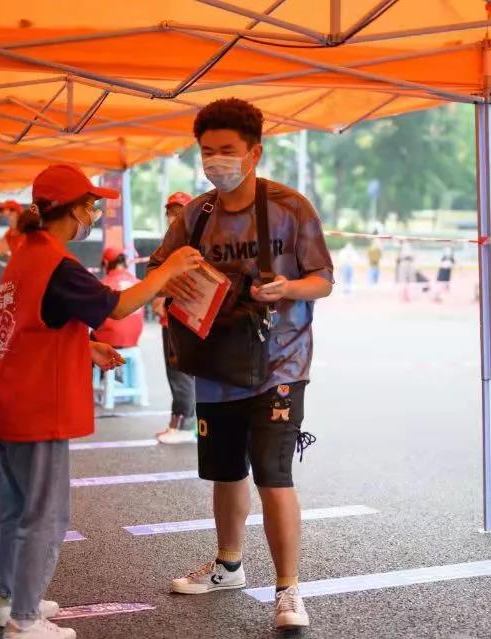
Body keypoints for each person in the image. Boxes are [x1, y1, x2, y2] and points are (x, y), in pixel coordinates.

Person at [0, 164, 201, 639]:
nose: (94, 215)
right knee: (46, 513)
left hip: (5, 401)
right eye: (91, 206)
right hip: (36, 407)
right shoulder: (56, 264)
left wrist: (83, 347)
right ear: (70, 210)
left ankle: (10, 600)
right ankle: (25, 619)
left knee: (15, 511)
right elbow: (116, 306)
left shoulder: (25, 256)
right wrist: (168, 270)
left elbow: (28, 326)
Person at [148, 98, 333, 630]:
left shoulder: (290, 207)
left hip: (281, 363)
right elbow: (159, 272)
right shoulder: (196, 214)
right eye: (207, 151)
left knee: (274, 473)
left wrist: (287, 287)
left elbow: (323, 280)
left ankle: (288, 590)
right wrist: (170, 290)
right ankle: (228, 565)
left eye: (226, 150)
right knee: (226, 471)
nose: (216, 161)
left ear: (254, 152)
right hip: (215, 363)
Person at [153, 191, 199, 445]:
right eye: (171, 212)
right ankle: (178, 423)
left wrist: (164, 296)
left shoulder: (191, 246)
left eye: (179, 212)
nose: (173, 217)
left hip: (183, 317)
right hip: (169, 318)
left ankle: (185, 424)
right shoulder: (169, 244)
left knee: (181, 372)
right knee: (176, 372)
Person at [91, 248, 144, 348]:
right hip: (133, 343)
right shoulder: (138, 283)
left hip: (107, 343)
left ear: (106, 263)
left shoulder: (102, 285)